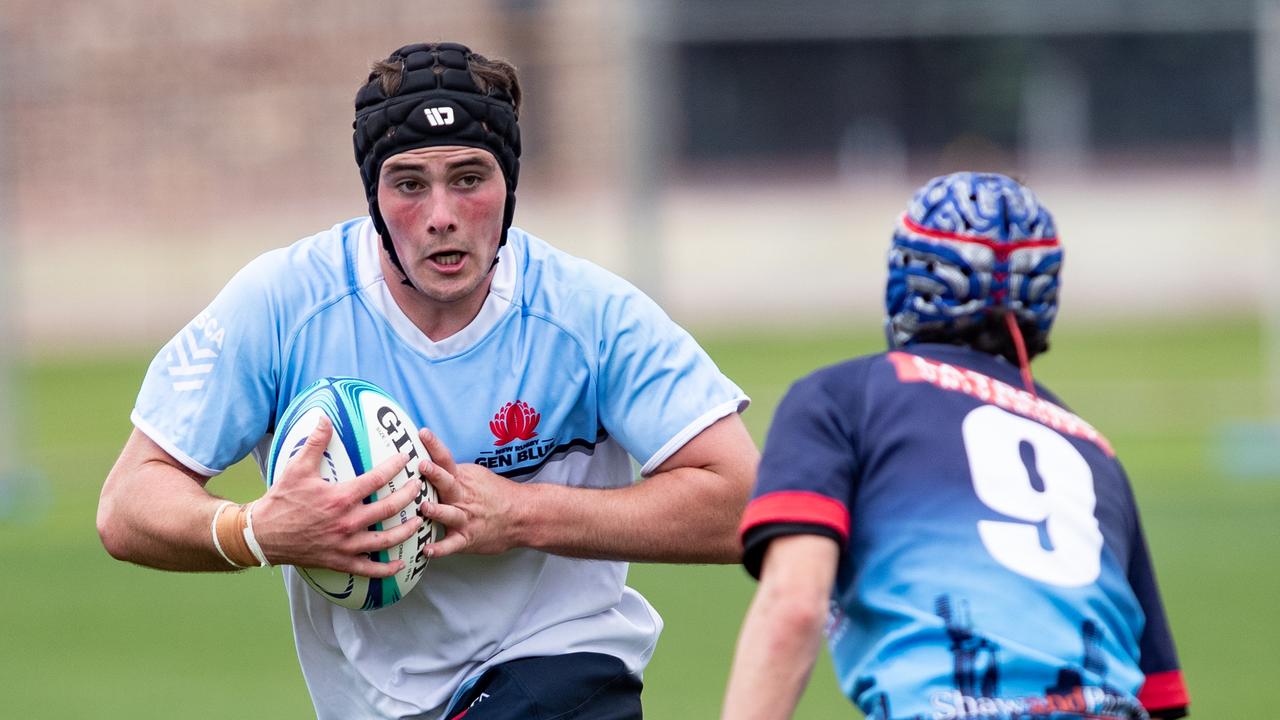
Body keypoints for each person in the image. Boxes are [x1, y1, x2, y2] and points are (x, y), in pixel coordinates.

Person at [96, 41, 757, 720]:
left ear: (510, 185)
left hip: (561, 670)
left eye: (470, 178)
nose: (442, 213)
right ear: (374, 197)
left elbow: (749, 502)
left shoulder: (587, 316)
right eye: (410, 183)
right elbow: (127, 505)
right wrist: (258, 532)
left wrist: (524, 514)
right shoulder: (285, 305)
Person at [721, 172, 1189, 720]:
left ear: (909, 279)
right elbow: (1159, 697)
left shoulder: (841, 397)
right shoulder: (1094, 451)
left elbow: (795, 606)